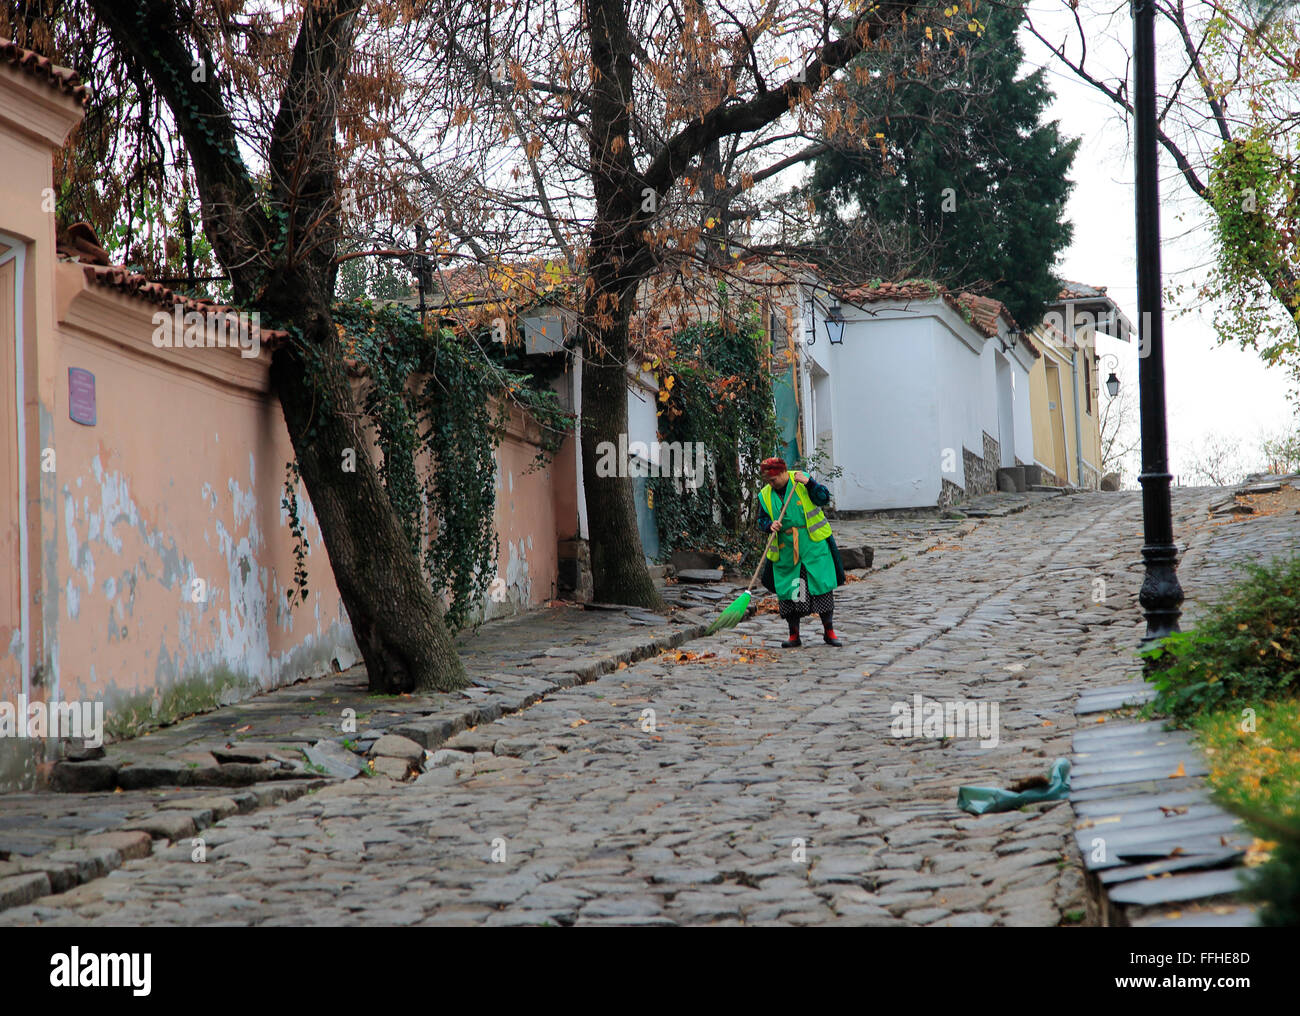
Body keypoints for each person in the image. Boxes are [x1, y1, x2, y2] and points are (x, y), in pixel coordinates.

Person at [756, 457, 845, 648]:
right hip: (787, 552)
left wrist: (810, 483)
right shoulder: (764, 495)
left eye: (773, 480)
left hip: (812, 546)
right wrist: (769, 525)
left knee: (821, 587)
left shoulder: (801, 481)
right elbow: (761, 520)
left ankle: (829, 632)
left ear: (782, 473)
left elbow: (823, 498)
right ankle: (794, 635)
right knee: (792, 592)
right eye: (768, 481)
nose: (771, 484)